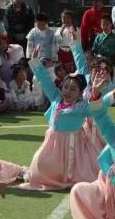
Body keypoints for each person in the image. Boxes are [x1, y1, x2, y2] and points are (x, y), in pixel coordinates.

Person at [23, 61, 109, 191]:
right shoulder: (56, 98)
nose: (68, 91)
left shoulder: (82, 106)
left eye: (73, 89)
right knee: (40, 163)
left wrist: (96, 93)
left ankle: (68, 176)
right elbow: (45, 81)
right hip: (52, 144)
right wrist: (35, 62)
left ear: (80, 93)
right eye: (66, 87)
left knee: (82, 172)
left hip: (74, 145)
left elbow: (98, 108)